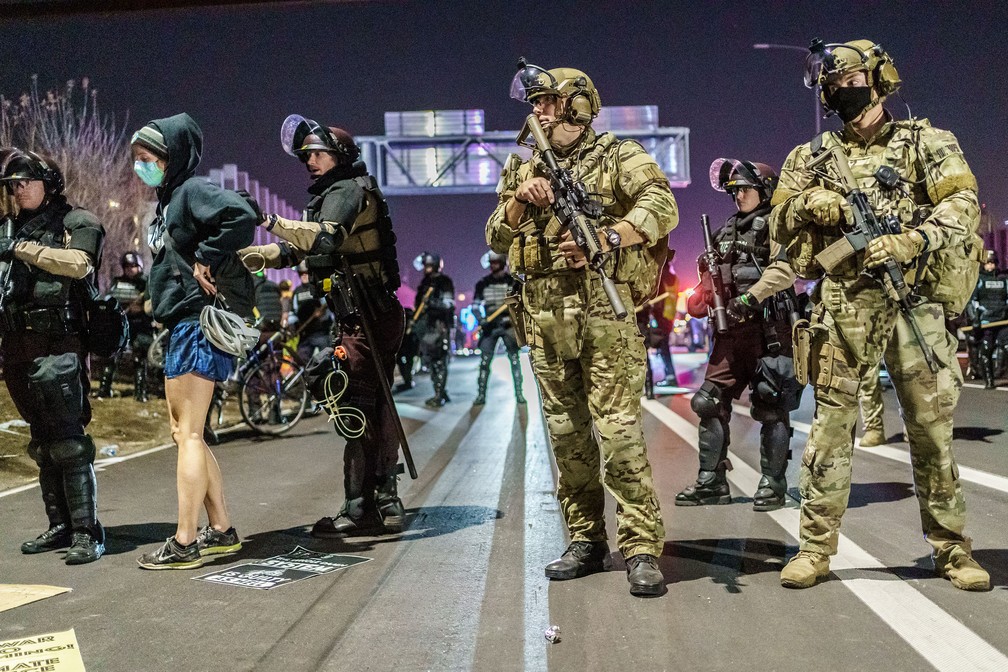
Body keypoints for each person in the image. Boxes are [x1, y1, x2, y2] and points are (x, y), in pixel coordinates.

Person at [770, 39, 989, 590]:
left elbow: (962, 206)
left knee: (931, 429)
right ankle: (814, 548)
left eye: (850, 81)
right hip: (845, 306)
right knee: (830, 429)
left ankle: (951, 549)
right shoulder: (809, 156)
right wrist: (809, 206)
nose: (841, 92)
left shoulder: (928, 142)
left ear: (878, 79)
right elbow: (779, 227)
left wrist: (913, 239)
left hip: (914, 300)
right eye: (833, 85)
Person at [487, 61, 677, 596]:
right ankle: (586, 540)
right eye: (536, 103)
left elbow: (663, 206)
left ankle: (640, 547)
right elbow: (496, 237)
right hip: (545, 323)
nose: (538, 112)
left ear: (578, 105)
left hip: (604, 318)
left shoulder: (618, 154)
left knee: (618, 438)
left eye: (548, 102)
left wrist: (609, 236)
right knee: (567, 439)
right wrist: (523, 197)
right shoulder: (522, 165)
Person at [240, 114, 406, 536]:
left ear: (341, 156)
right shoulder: (331, 194)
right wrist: (257, 255)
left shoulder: (348, 190)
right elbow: (303, 250)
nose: (309, 160)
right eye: (306, 155)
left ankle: (360, 507)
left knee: (354, 403)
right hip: (362, 316)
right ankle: (384, 501)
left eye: (318, 154)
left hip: (367, 317)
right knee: (373, 405)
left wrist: (267, 219)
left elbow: (325, 237)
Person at [131, 113, 256, 569]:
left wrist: (206, 257)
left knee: (187, 434)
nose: (140, 167)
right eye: (137, 160)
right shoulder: (168, 202)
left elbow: (242, 215)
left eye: (148, 159)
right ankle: (221, 529)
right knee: (187, 433)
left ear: (173, 156)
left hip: (196, 323)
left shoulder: (190, 191)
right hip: (182, 324)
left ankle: (185, 541)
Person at [0, 149, 106, 564]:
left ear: (49, 182)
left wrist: (23, 250)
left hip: (58, 345)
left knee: (69, 442)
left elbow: (80, 264)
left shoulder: (76, 221)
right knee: (42, 442)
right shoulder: (7, 229)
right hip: (17, 347)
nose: (17, 189)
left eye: (24, 181)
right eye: (12, 184)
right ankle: (60, 525)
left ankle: (87, 531)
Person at [676, 158, 801, 511]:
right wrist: (700, 299)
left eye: (745, 189)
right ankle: (711, 482)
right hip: (730, 335)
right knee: (708, 401)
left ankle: (773, 484)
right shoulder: (725, 230)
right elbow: (711, 278)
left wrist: (749, 298)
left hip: (768, 331)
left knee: (772, 405)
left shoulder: (778, 224)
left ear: (764, 189)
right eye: (734, 191)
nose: (738, 195)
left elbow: (787, 269)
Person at [96, 251, 154, 401]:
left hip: (140, 325)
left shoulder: (147, 284)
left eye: (134, 266)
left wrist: (141, 309)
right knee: (112, 356)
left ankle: (141, 393)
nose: (131, 269)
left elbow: (151, 306)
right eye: (128, 266)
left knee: (139, 359)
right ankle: (104, 389)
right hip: (121, 325)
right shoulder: (117, 282)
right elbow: (109, 299)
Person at [472, 251, 525, 405]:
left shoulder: (512, 282)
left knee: (514, 360)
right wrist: (481, 319)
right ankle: (481, 395)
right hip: (490, 326)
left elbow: (520, 304)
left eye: (496, 262)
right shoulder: (482, 283)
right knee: (485, 362)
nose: (493, 265)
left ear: (502, 263)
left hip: (508, 325)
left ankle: (519, 394)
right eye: (492, 263)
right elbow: (475, 306)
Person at [414, 251, 454, 408]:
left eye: (428, 266)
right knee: (431, 361)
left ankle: (439, 395)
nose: (425, 269)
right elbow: (418, 305)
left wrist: (432, 303)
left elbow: (449, 304)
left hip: (440, 325)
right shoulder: (424, 283)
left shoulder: (444, 282)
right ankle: (441, 392)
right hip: (426, 326)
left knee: (440, 362)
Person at [968, 251, 1008, 389]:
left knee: (1006, 347)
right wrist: (975, 319)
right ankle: (989, 381)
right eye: (988, 263)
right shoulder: (978, 280)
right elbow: (972, 301)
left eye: (992, 263)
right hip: (986, 322)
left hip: (1003, 321)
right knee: (986, 349)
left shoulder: (1004, 280)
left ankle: (1000, 373)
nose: (990, 266)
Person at [638, 260, 679, 389]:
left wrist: (651, 313)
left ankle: (670, 376)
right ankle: (670, 375)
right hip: (669, 315)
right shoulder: (673, 276)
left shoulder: (662, 274)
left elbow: (657, 296)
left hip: (661, 316)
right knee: (664, 347)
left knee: (662, 347)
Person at [290, 266, 334, 364]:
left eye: (306, 272)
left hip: (321, 332)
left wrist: (322, 315)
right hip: (305, 334)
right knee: (301, 360)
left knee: (327, 360)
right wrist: (293, 325)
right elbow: (293, 313)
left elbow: (327, 306)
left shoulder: (317, 289)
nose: (304, 275)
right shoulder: (296, 292)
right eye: (301, 273)